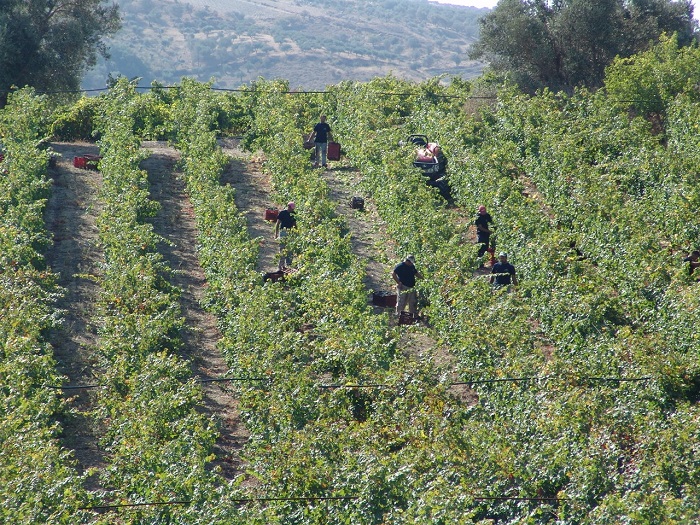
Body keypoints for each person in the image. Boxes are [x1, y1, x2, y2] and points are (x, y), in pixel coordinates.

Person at [392, 255, 423, 319]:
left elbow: (416, 273)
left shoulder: (412, 266)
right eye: (411, 263)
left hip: (411, 287)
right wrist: (399, 282)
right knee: (401, 302)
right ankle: (398, 316)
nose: (412, 264)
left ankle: (414, 316)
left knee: (413, 302)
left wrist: (423, 279)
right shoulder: (400, 266)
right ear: (407, 261)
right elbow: (393, 274)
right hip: (403, 287)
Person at [275, 202, 296, 270]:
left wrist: (296, 233)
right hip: (283, 232)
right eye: (291, 208)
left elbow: (294, 224)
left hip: (290, 233)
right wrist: (276, 234)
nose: (292, 210)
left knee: (290, 250)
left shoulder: (293, 214)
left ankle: (288, 265)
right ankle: (281, 266)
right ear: (288, 207)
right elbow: (278, 224)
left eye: (293, 209)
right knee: (282, 249)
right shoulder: (282, 213)